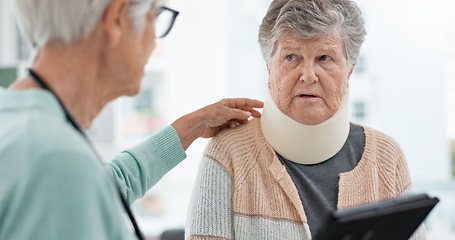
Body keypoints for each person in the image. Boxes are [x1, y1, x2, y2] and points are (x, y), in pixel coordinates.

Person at [0, 0, 263, 239]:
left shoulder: (21, 127)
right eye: (155, 17)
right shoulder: (58, 163)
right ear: (117, 18)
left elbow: (104, 187)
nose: (154, 41)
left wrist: (192, 126)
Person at [185, 0, 425, 239]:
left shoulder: (386, 156)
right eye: (291, 57)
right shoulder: (229, 153)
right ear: (269, 67)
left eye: (324, 58)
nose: (308, 76)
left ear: (349, 70)